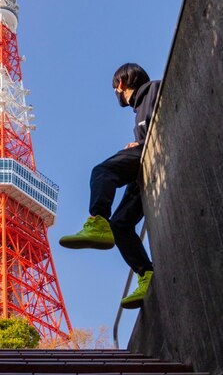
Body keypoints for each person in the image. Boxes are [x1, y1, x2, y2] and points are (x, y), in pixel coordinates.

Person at [59, 63, 161, 309]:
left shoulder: (155, 88)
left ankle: (97, 220)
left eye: (115, 88)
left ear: (121, 84)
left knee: (102, 170)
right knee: (121, 224)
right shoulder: (138, 111)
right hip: (144, 164)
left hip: (156, 150)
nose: (116, 93)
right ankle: (146, 274)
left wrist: (140, 144)